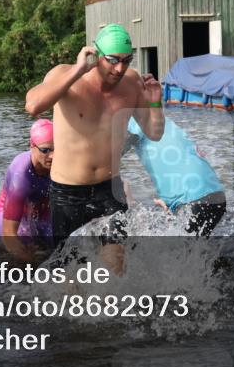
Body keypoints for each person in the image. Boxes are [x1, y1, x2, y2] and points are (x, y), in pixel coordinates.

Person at [24, 23, 164, 248]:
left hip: (109, 188)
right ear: (96, 54)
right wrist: (78, 70)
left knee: (117, 265)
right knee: (71, 270)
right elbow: (32, 106)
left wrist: (156, 101)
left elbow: (154, 133)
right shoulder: (65, 74)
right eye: (112, 59)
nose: (120, 68)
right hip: (67, 192)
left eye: (126, 60)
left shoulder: (132, 82)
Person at [126, 117, 227, 236]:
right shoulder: (159, 119)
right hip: (216, 195)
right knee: (192, 249)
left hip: (193, 199)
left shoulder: (134, 119)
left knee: (173, 251)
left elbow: (111, 156)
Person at [0, 119, 55, 261]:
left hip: (41, 210)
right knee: (24, 249)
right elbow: (9, 233)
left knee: (57, 244)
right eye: (45, 150)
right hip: (9, 213)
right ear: (32, 146)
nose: (52, 156)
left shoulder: (61, 164)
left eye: (57, 149)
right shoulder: (21, 175)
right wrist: (26, 258)